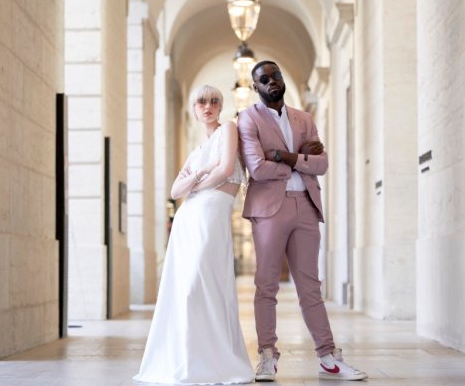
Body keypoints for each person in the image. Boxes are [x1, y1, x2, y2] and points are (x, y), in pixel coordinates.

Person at [237, 61, 367, 381]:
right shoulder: (248, 118)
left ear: (283, 78)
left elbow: (322, 164)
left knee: (310, 287)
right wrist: (299, 161)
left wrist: (284, 157)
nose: (272, 82)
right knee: (266, 285)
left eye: (276, 76)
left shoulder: (304, 119)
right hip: (269, 210)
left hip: (306, 207)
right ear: (256, 87)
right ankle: (267, 355)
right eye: (264, 80)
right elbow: (257, 168)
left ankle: (328, 356)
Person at [133, 85, 254, 385]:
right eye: (201, 101)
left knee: (201, 283)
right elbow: (175, 192)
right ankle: (189, 358)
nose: (208, 106)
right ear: (193, 107)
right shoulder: (196, 153)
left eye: (214, 101)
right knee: (184, 287)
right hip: (189, 218)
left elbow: (226, 168)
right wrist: (200, 175)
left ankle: (215, 360)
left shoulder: (228, 129)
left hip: (212, 215)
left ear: (221, 106)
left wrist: (195, 184)